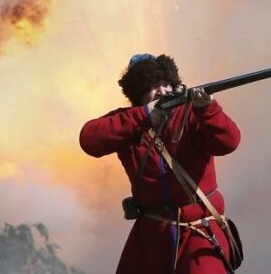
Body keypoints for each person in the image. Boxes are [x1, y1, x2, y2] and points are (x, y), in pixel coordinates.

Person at [79, 53, 241, 274]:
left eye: (166, 84)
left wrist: (208, 109)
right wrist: (145, 117)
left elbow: (229, 142)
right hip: (151, 235)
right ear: (138, 93)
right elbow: (89, 140)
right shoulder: (131, 121)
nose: (163, 92)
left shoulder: (192, 113)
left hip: (199, 232)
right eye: (154, 87)